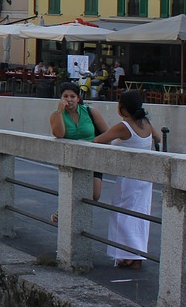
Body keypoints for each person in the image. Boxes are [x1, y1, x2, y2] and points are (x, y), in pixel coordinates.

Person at [93, 90, 160, 269]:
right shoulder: (145, 122)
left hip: (128, 177)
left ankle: (127, 255)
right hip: (145, 177)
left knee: (122, 215)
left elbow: (98, 140)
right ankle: (136, 254)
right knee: (140, 215)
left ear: (122, 107)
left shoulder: (125, 126)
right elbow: (158, 137)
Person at [49, 83, 104, 223]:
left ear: (78, 98)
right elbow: (59, 134)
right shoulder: (56, 115)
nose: (69, 99)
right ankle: (65, 213)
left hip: (92, 156)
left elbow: (106, 133)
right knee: (72, 190)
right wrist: (60, 112)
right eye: (65, 96)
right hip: (71, 158)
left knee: (94, 194)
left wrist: (96, 145)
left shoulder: (90, 111)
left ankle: (66, 212)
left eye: (73, 96)